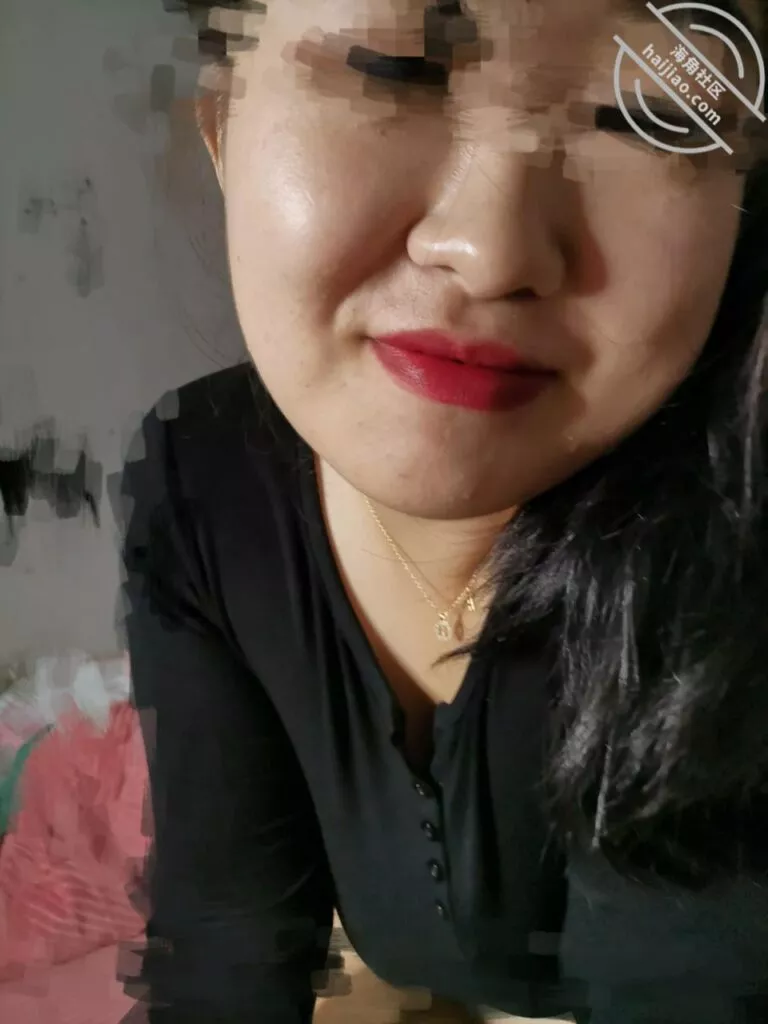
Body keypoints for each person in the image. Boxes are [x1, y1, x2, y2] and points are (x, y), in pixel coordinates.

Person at [117, 1, 768, 1021]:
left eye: (650, 114)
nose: (492, 249)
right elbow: (224, 940)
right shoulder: (199, 476)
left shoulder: (735, 542)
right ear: (222, 124)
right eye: (392, 71)